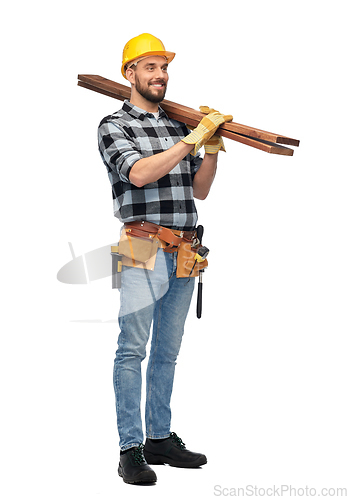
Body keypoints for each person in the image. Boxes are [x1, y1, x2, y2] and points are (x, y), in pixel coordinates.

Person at [98, 33, 231, 485]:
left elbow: (200, 190)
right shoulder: (114, 125)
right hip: (142, 244)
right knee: (131, 349)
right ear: (129, 74)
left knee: (167, 354)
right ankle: (130, 448)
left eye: (164, 67)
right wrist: (193, 138)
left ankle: (159, 437)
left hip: (184, 249)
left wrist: (209, 149)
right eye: (150, 67)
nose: (160, 75)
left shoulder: (178, 126)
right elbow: (138, 174)